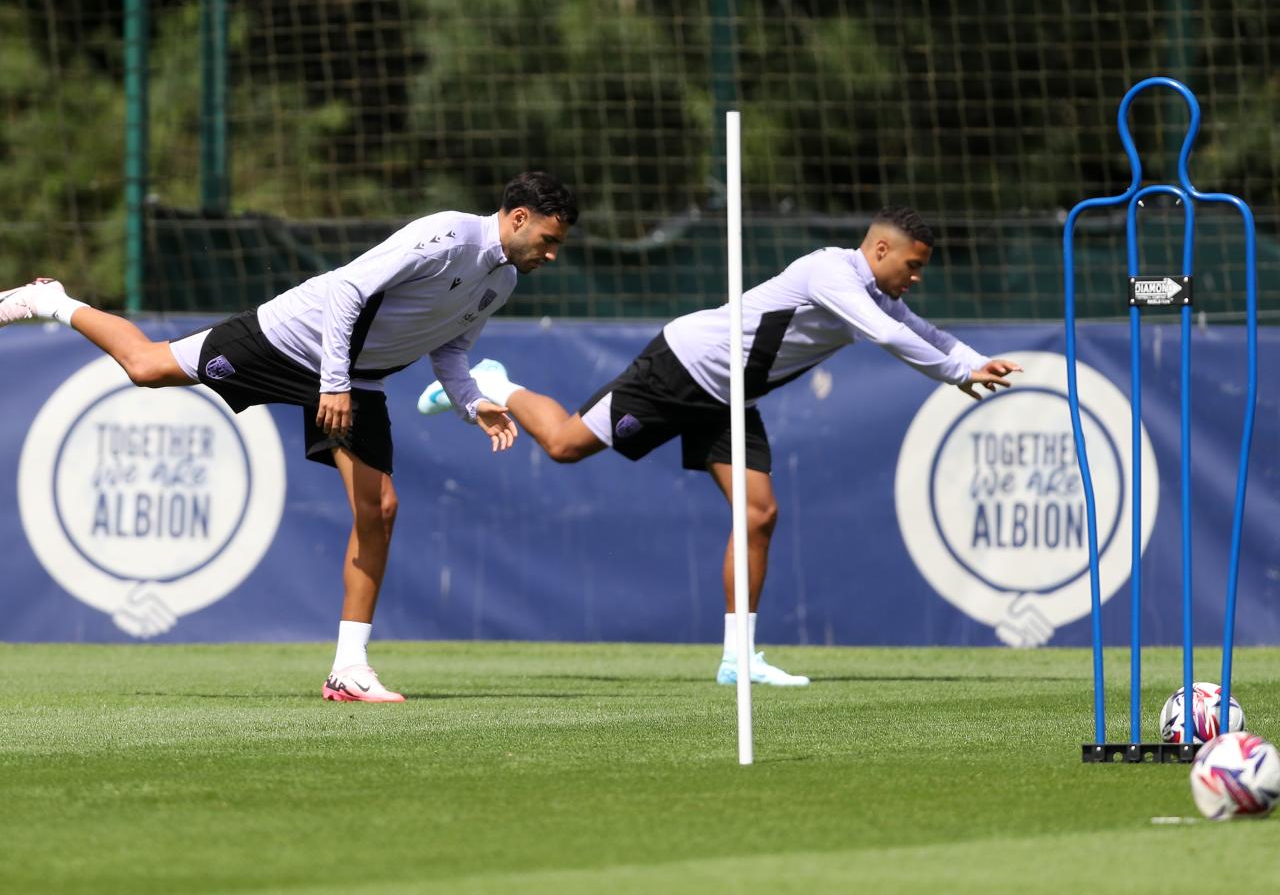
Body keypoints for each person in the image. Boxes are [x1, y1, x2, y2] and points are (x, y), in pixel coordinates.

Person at [0, 171, 578, 702]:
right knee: (148, 368)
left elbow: (451, 350)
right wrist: (332, 383)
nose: (551, 254)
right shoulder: (447, 235)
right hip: (290, 338)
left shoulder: (500, 283)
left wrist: (474, 401)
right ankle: (50, 300)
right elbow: (348, 290)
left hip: (359, 379)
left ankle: (348, 669)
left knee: (379, 509)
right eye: (548, 239)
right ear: (518, 217)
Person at [417, 206, 1021, 686]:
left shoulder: (880, 295)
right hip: (683, 366)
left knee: (760, 513)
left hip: (731, 398)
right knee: (565, 445)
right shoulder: (831, 273)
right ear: (880, 249)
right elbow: (889, 334)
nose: (915, 278)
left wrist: (971, 363)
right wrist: (953, 374)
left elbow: (916, 327)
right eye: (912, 265)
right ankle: (496, 383)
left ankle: (739, 659)